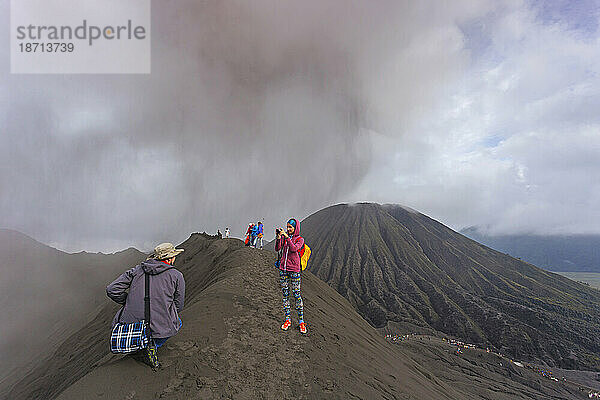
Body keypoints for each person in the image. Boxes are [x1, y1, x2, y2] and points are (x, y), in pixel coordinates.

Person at [107, 242, 185, 363]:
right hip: (160, 322)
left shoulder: (137, 270)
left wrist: (128, 302)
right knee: (178, 322)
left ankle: (140, 345)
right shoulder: (176, 275)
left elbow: (112, 289)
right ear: (170, 258)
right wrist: (164, 309)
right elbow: (179, 305)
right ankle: (152, 346)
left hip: (133, 322)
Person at [275, 218, 307, 334]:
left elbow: (294, 248)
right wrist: (279, 238)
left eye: (290, 227)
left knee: (297, 294)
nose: (288, 229)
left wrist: (287, 238)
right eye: (287, 227)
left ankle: (301, 321)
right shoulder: (284, 237)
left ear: (295, 228)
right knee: (285, 295)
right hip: (283, 269)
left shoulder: (300, 239)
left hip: (294, 270)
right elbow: (277, 248)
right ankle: (287, 319)